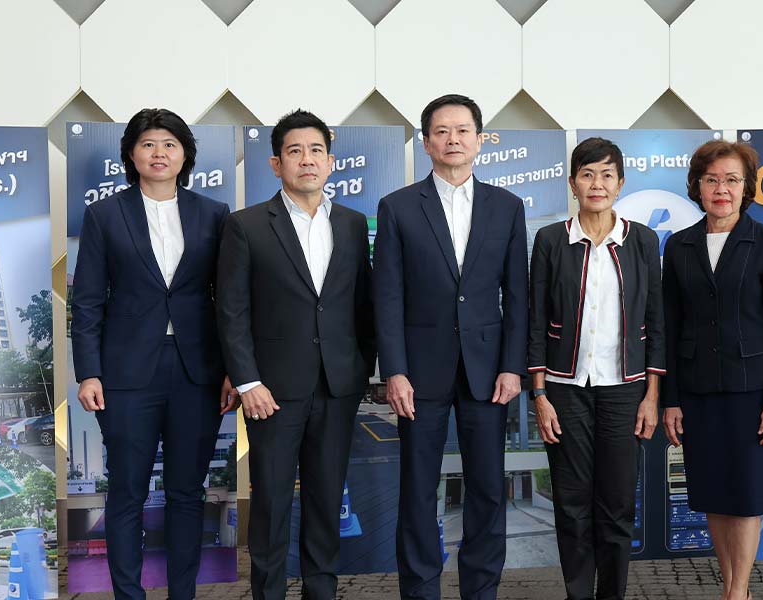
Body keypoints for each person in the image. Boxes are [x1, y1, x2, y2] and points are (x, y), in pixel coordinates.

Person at [72, 107, 235, 600]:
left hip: (197, 371)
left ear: (185, 154)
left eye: (169, 144)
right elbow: (87, 301)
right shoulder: (104, 214)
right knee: (127, 492)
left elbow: (229, 300)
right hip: (125, 374)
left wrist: (234, 369)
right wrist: (88, 372)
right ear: (131, 154)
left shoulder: (214, 213)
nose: (158, 153)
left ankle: (182, 593)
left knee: (187, 493)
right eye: (148, 144)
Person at [216, 109, 376, 600]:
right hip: (271, 392)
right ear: (275, 163)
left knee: (327, 502)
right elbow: (231, 309)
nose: (307, 160)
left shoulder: (352, 224)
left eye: (316, 151)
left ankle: (321, 593)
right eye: (295, 151)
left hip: (338, 386)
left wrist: (359, 370)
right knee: (270, 504)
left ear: (330, 161)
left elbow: (363, 304)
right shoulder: (246, 225)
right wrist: (248, 381)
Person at [375, 94, 528, 600]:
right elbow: (387, 296)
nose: (453, 139)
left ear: (480, 140)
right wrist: (394, 370)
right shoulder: (397, 207)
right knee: (418, 488)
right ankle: (421, 590)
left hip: (489, 371)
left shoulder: (506, 207)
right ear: (426, 143)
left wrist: (512, 366)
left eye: (463, 130)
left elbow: (518, 295)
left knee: (487, 488)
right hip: (419, 372)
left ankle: (481, 590)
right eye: (441, 131)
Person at [527, 137, 665, 600]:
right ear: (573, 183)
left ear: (621, 183)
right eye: (587, 174)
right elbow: (535, 319)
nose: (597, 184)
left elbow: (656, 321)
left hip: (625, 390)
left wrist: (651, 396)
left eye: (607, 175)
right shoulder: (551, 240)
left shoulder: (641, 240)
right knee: (571, 503)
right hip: (565, 390)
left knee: (617, 504)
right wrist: (540, 395)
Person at [660, 140, 763, 600]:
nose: (722, 189)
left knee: (747, 497)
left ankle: (738, 591)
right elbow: (670, 327)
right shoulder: (679, 245)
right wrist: (671, 399)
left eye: (732, 180)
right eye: (712, 179)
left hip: (751, 392)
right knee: (713, 494)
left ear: (747, 187)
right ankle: (733, 588)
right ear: (697, 186)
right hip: (697, 390)